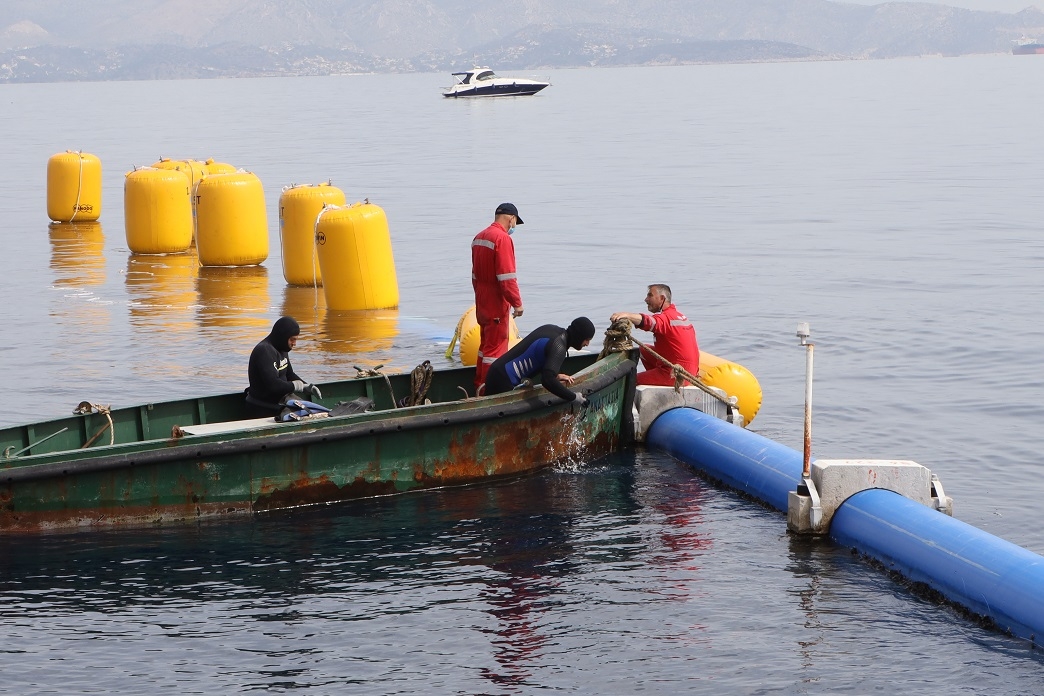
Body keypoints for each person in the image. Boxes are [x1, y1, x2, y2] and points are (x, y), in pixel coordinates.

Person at [472, 202, 525, 391]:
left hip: (482, 301)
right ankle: (489, 392)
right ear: (511, 218)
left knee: (485, 347)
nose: (513, 227)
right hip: (496, 303)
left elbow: (475, 276)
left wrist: (481, 296)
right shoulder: (502, 239)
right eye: (515, 223)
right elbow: (507, 278)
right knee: (495, 351)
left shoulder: (479, 238)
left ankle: (478, 385)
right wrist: (517, 304)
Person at [483, 317, 597, 404]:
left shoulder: (553, 330)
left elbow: (539, 355)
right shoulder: (559, 346)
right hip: (504, 381)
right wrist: (574, 397)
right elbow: (547, 380)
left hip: (497, 372)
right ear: (579, 336)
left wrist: (555, 374)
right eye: (586, 340)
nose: (587, 344)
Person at [610, 284, 699, 386]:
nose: (646, 299)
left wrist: (627, 315)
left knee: (628, 381)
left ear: (662, 298)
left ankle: (658, 380)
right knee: (644, 349)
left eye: (650, 296)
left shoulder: (666, 318)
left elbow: (650, 322)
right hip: (688, 369)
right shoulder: (678, 316)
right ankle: (655, 377)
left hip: (677, 373)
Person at [244, 316, 322, 418]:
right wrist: (298, 386)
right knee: (308, 415)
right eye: (292, 339)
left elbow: (289, 374)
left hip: (280, 401)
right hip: (263, 406)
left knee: (316, 412)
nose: (294, 344)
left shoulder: (282, 349)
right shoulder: (264, 351)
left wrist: (307, 387)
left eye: (296, 339)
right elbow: (273, 386)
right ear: (282, 336)